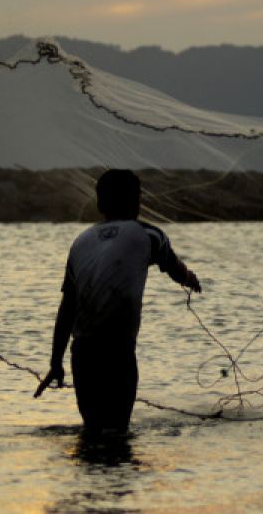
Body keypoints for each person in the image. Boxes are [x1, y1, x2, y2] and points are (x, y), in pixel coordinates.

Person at [36, 169, 201, 434]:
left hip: (82, 353)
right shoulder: (148, 234)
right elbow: (172, 266)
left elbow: (67, 308)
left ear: (100, 204)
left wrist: (56, 363)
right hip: (117, 349)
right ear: (137, 202)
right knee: (118, 431)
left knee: (93, 430)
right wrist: (190, 280)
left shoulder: (81, 241)